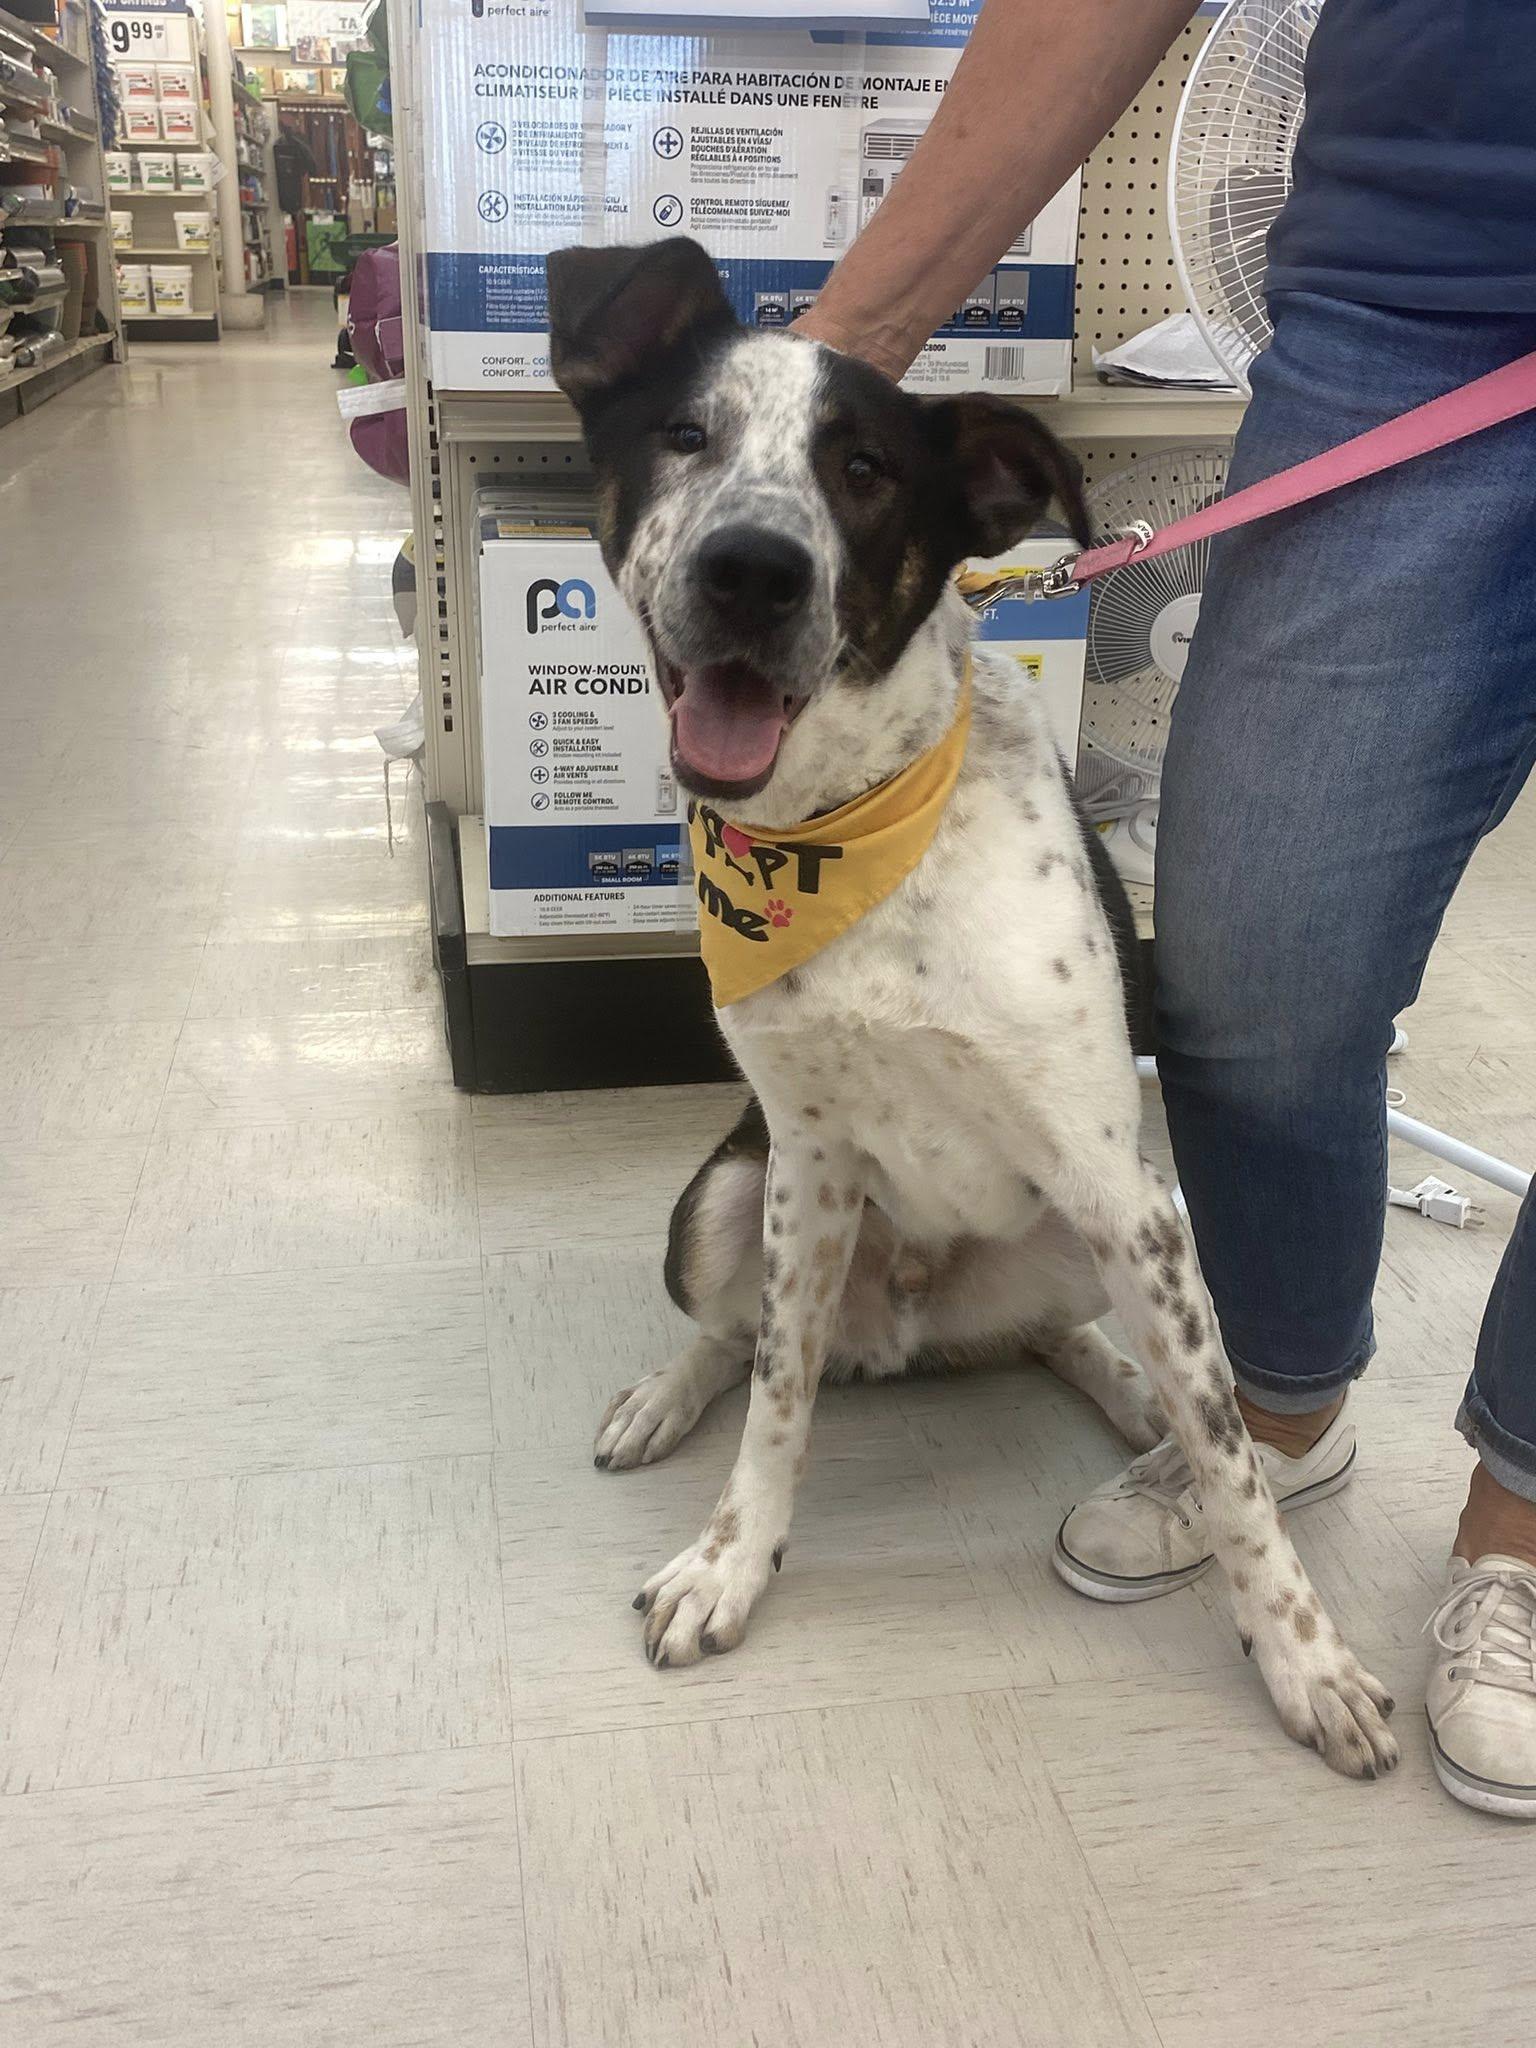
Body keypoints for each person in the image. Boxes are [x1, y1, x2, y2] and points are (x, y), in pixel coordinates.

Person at [796, 0, 1536, 1817]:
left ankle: (1519, 1522)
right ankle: (1281, 1401)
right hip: (1414, 297)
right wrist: (826, 373)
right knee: (1248, 969)